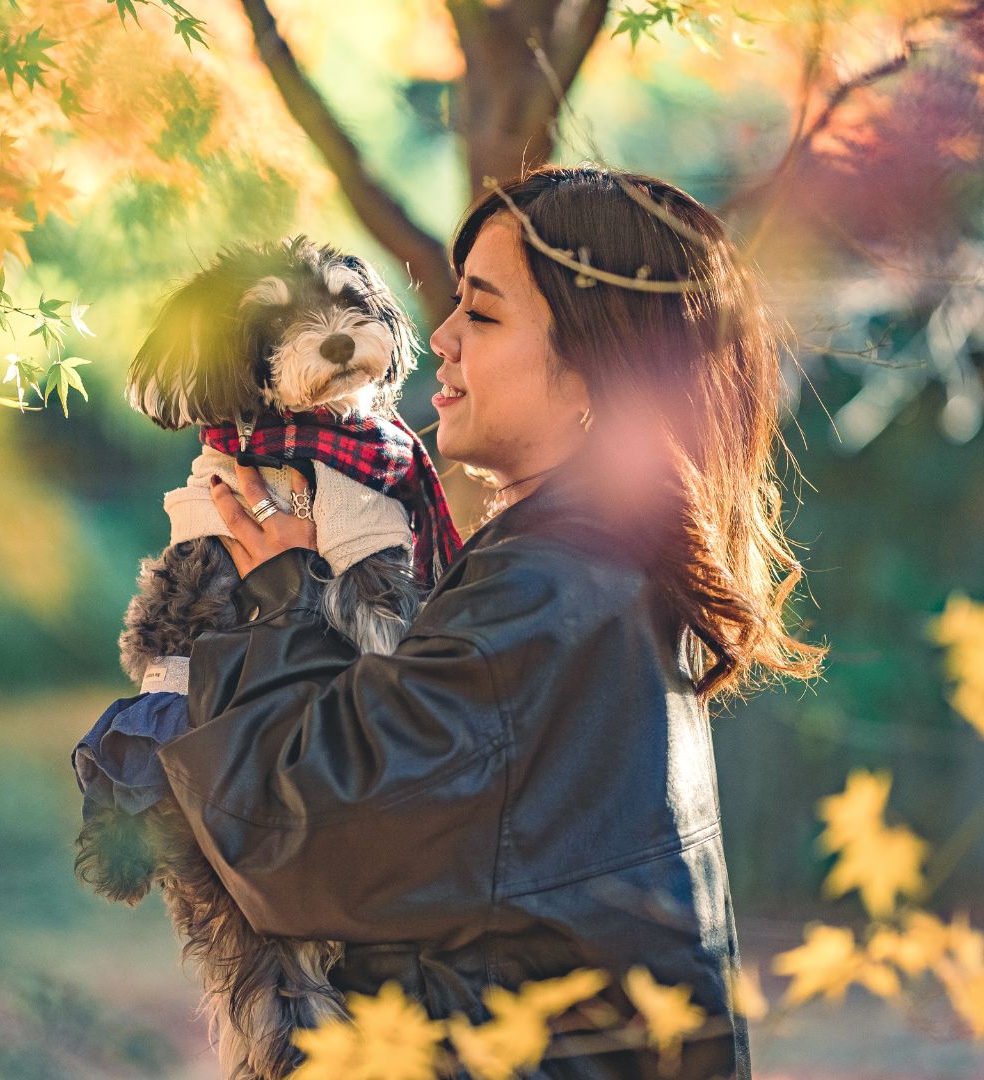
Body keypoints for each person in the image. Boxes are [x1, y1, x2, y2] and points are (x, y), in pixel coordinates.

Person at [155, 164, 827, 1079]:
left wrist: (281, 603)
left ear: (595, 366)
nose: (439, 338)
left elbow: (295, 841)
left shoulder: (542, 594)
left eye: (482, 312)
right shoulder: (592, 563)